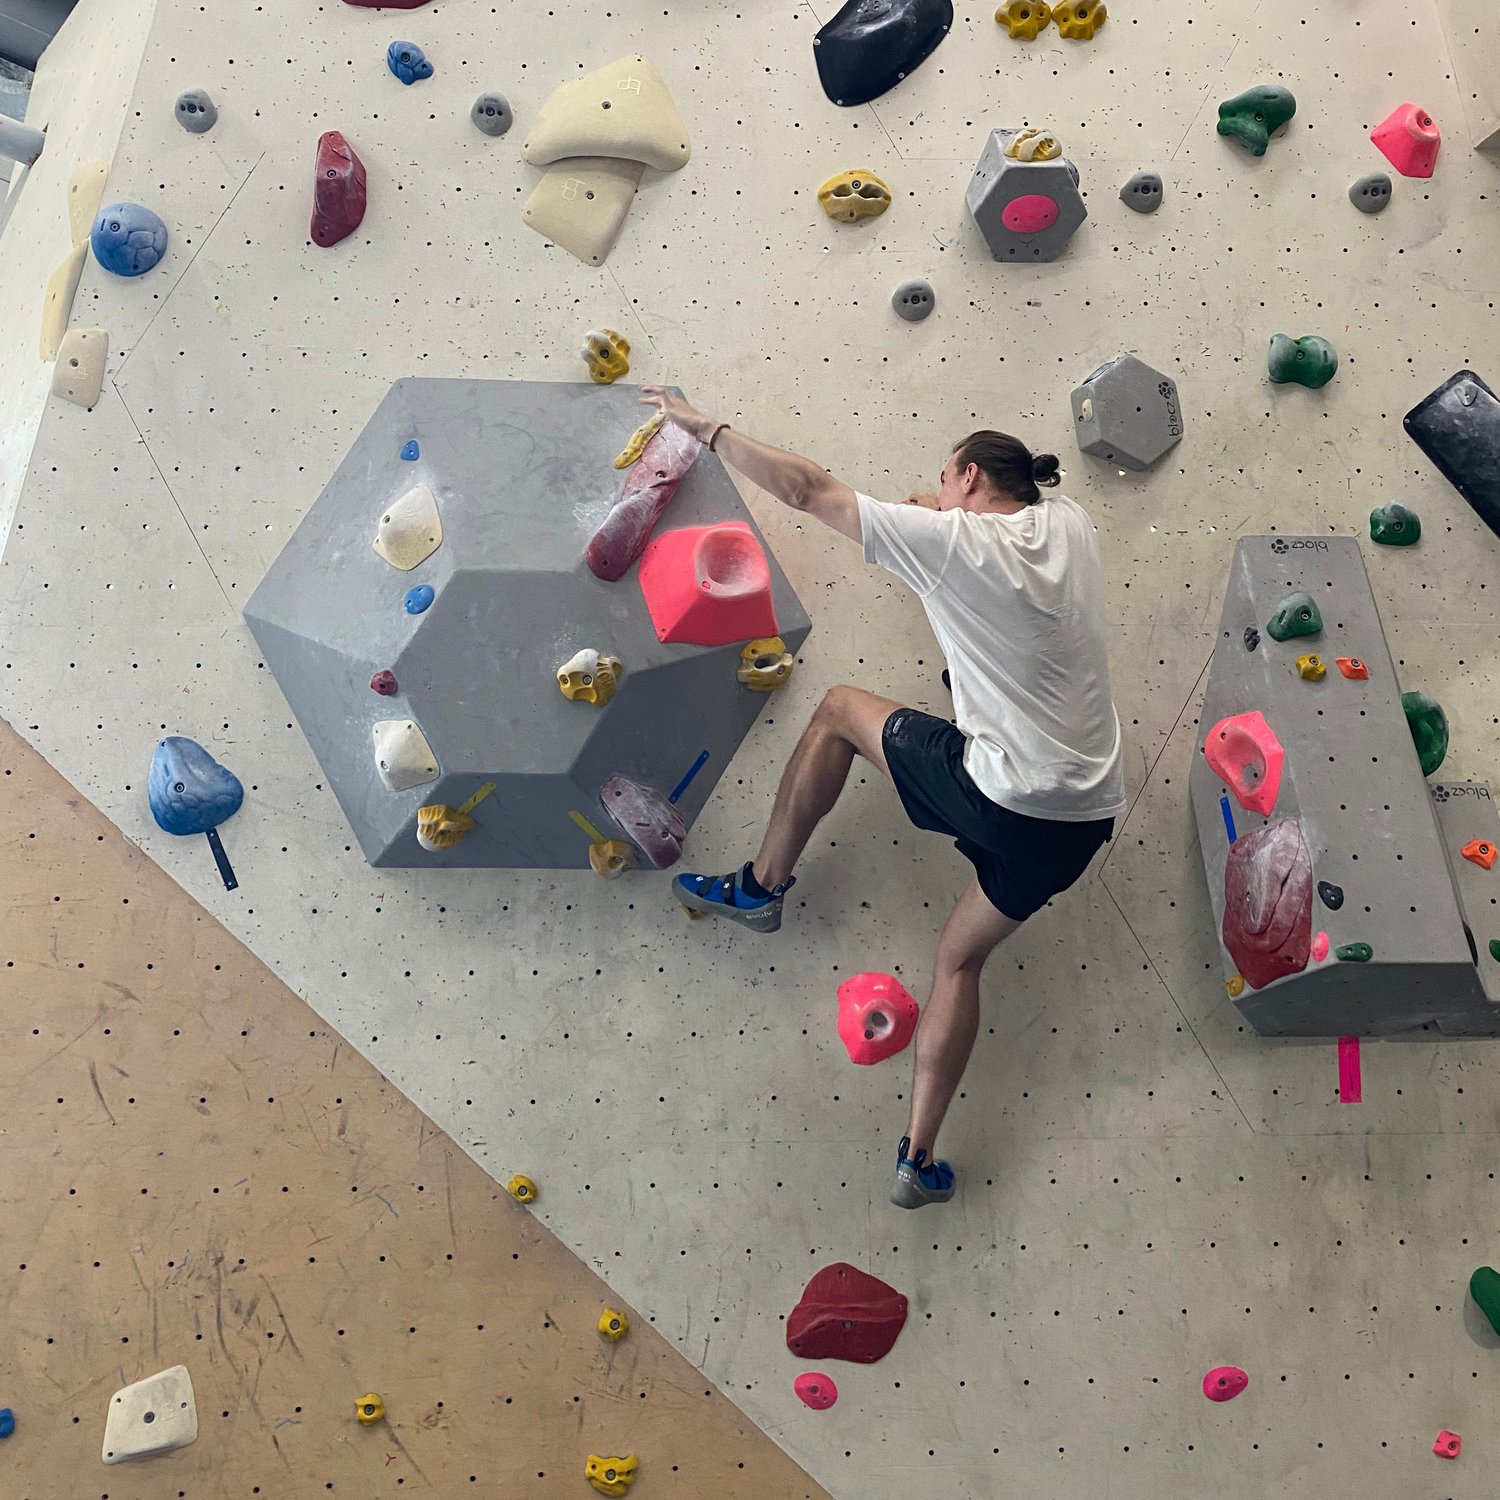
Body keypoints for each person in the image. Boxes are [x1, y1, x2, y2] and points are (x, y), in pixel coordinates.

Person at [636, 386, 1126, 1210]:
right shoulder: (1070, 524)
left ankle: (759, 889)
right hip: (1081, 819)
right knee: (959, 960)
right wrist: (926, 520)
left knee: (836, 713)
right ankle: (916, 1159)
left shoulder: (949, 543)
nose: (934, 496)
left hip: (1003, 794)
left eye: (943, 481)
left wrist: (707, 426)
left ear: (968, 477)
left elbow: (807, 490)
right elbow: (965, 542)